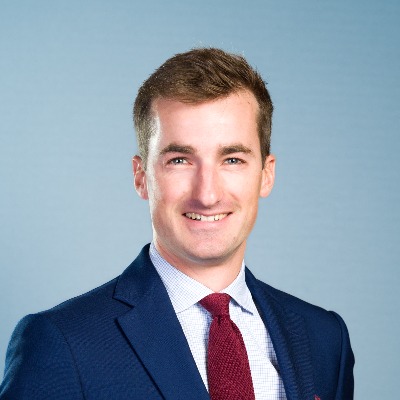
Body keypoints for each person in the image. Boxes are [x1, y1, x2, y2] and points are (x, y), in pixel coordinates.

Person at [0, 48, 354, 400]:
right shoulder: (62, 343)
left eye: (232, 159)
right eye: (180, 160)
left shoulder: (324, 340)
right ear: (141, 176)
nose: (208, 194)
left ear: (266, 174)